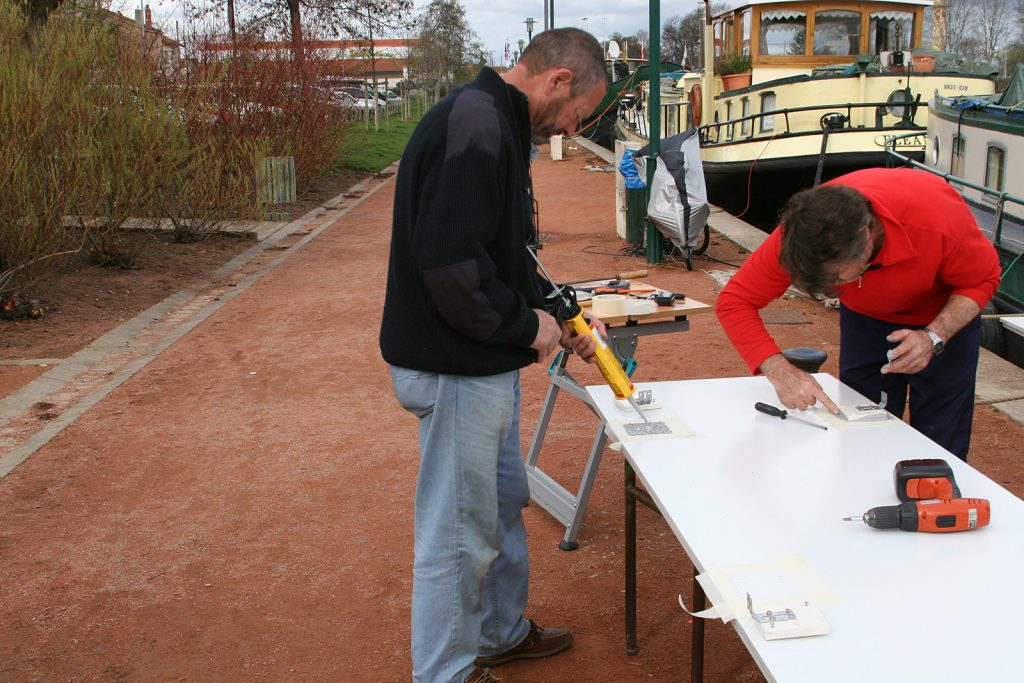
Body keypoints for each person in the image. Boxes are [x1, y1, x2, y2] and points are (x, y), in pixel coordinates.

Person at [379, 28, 609, 683]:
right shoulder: (478, 125)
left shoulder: (498, 124)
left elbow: (511, 255)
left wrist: (559, 314)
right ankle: (446, 671)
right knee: (458, 533)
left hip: (482, 362)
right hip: (456, 366)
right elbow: (451, 264)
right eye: (579, 112)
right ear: (557, 82)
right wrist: (525, 324)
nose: (575, 124)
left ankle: (500, 631)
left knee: (503, 498)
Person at [716, 167, 1000, 460]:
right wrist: (780, 372)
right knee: (860, 427)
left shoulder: (937, 221)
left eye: (837, 280)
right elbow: (735, 301)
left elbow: (982, 279)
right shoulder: (803, 233)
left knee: (940, 440)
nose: (831, 292)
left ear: (868, 238)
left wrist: (934, 336)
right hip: (866, 320)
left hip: (942, 317)